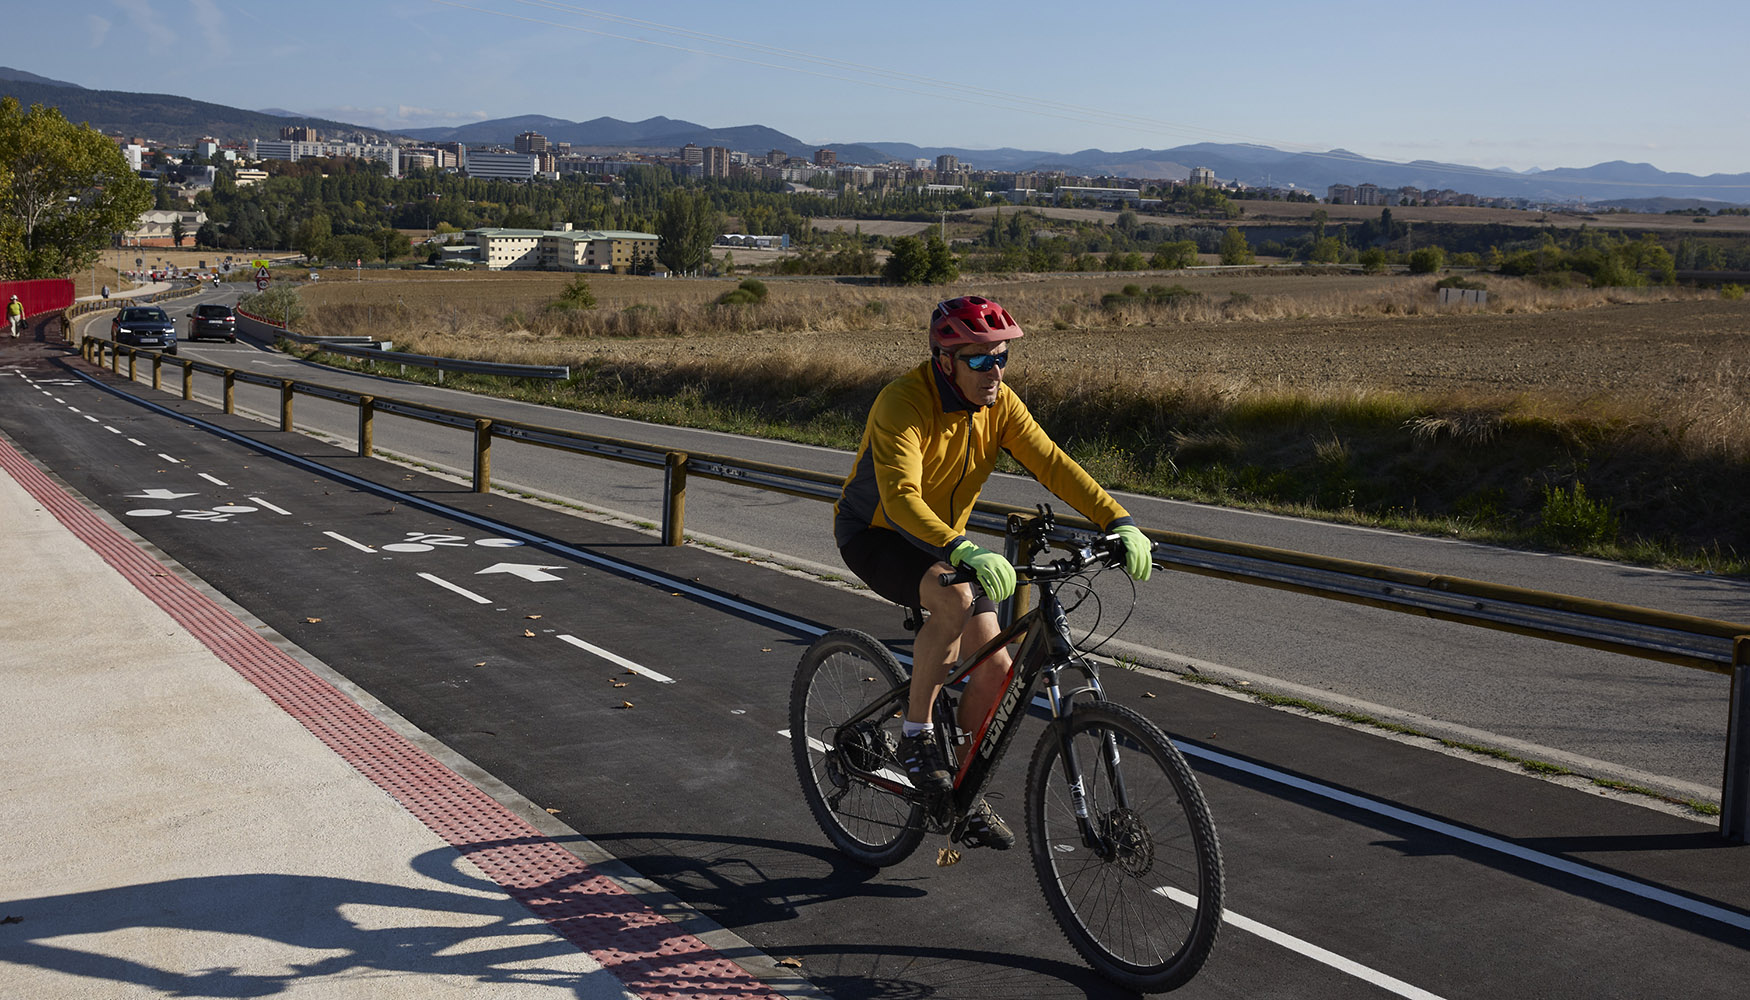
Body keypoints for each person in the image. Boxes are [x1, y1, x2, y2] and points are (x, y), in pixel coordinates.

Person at [833, 295, 1154, 850]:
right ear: (944, 361)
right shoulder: (902, 402)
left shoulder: (999, 404)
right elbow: (903, 497)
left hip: (945, 544)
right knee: (954, 603)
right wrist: (963, 549)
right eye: (980, 360)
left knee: (996, 670)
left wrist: (1118, 519)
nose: (995, 371)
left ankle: (959, 789)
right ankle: (915, 734)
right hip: (878, 533)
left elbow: (1052, 463)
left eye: (1001, 357)